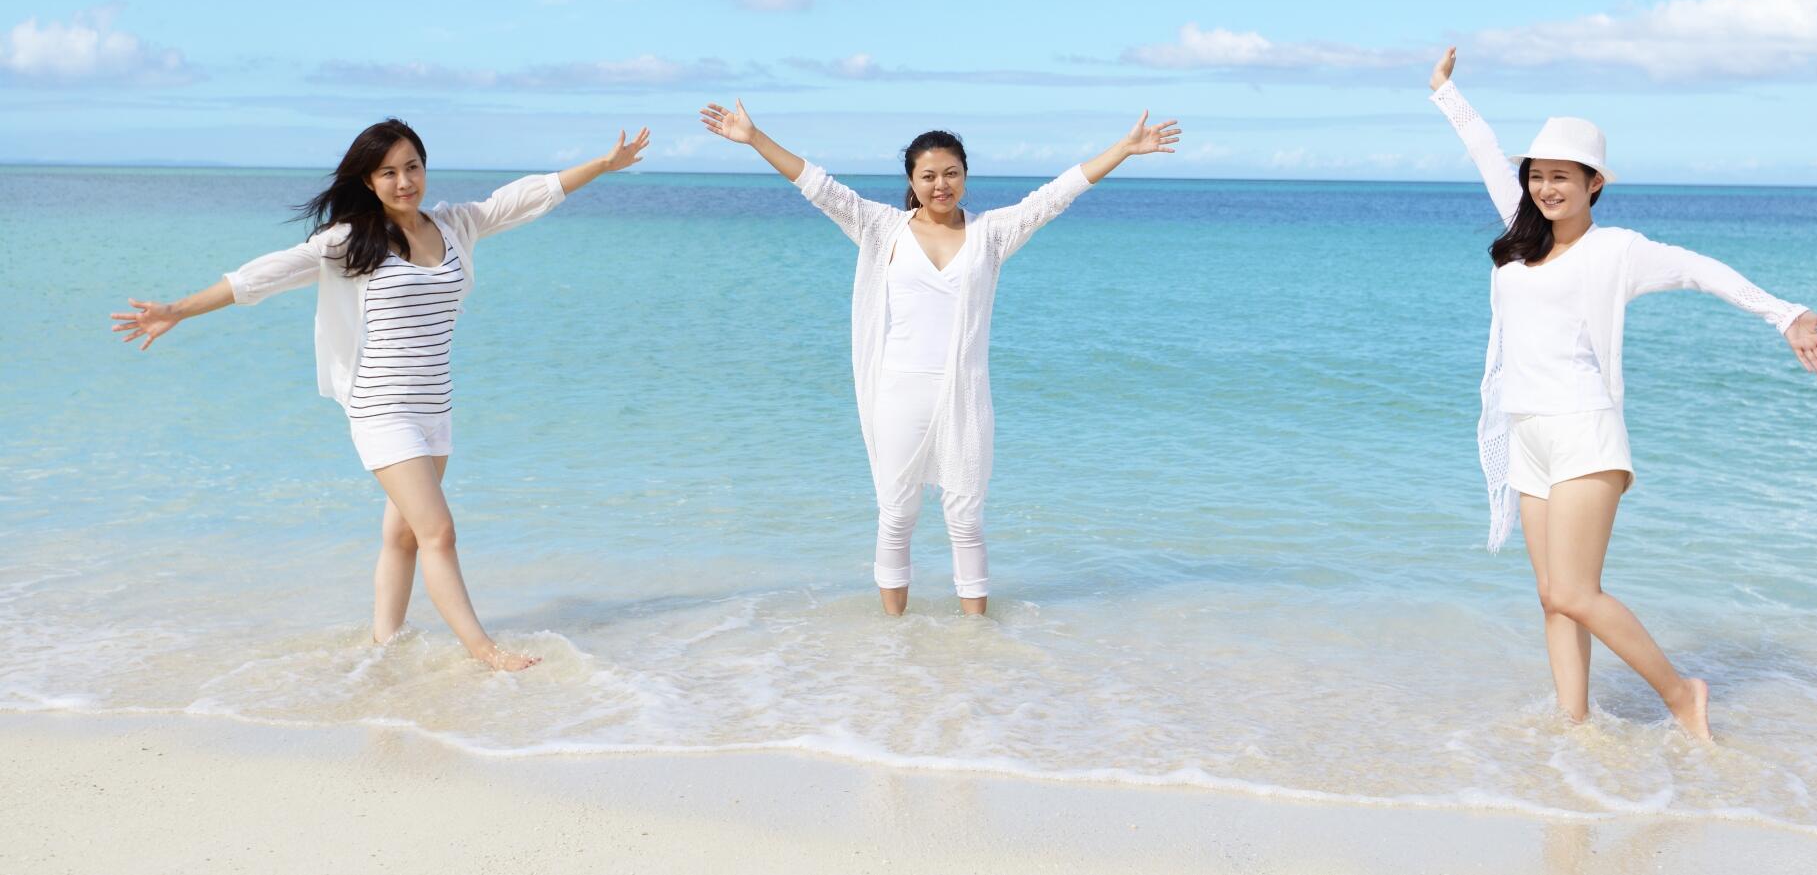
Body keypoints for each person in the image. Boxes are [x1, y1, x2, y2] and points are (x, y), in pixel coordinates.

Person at [111, 118, 648, 670]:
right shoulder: (349, 243)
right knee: (439, 532)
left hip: (435, 407)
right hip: (381, 409)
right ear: (368, 181)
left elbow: (524, 197)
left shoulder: (454, 225)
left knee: (404, 535)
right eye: (388, 172)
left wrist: (603, 165)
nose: (404, 181)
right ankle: (484, 651)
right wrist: (177, 310)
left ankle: (384, 647)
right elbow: (262, 276)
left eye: (412, 167)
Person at [1427, 47, 1817, 740]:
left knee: (1576, 590)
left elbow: (1701, 270)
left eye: (1561, 176)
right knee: (1552, 597)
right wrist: (1446, 92)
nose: (1545, 188)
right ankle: (1574, 724)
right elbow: (1484, 151)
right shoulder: (1522, 235)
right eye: (1537, 176)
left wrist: (1784, 313)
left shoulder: (1617, 250)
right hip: (1526, 430)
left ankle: (1683, 694)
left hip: (1583, 429)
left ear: (1593, 184)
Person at [699, 100, 1179, 616]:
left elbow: (1055, 196)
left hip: (963, 396)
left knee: (966, 520)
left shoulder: (991, 234)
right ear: (912, 180)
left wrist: (1124, 149)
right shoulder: (881, 227)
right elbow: (817, 185)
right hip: (900, 392)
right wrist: (755, 137)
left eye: (951, 173)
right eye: (928, 176)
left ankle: (975, 640)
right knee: (896, 516)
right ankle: (893, 638)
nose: (940, 185)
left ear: (966, 177)